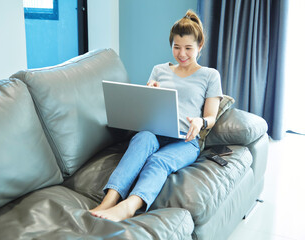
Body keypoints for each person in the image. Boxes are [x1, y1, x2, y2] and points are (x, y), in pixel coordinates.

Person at [90, 9, 223, 222]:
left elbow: (211, 116)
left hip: (186, 140)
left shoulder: (209, 76)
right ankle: (109, 200)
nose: (182, 54)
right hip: (155, 131)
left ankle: (128, 207)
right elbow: (146, 107)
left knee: (158, 161)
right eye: (176, 47)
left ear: (200, 46)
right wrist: (150, 91)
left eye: (188, 48)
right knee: (142, 138)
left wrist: (201, 121)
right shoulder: (159, 70)